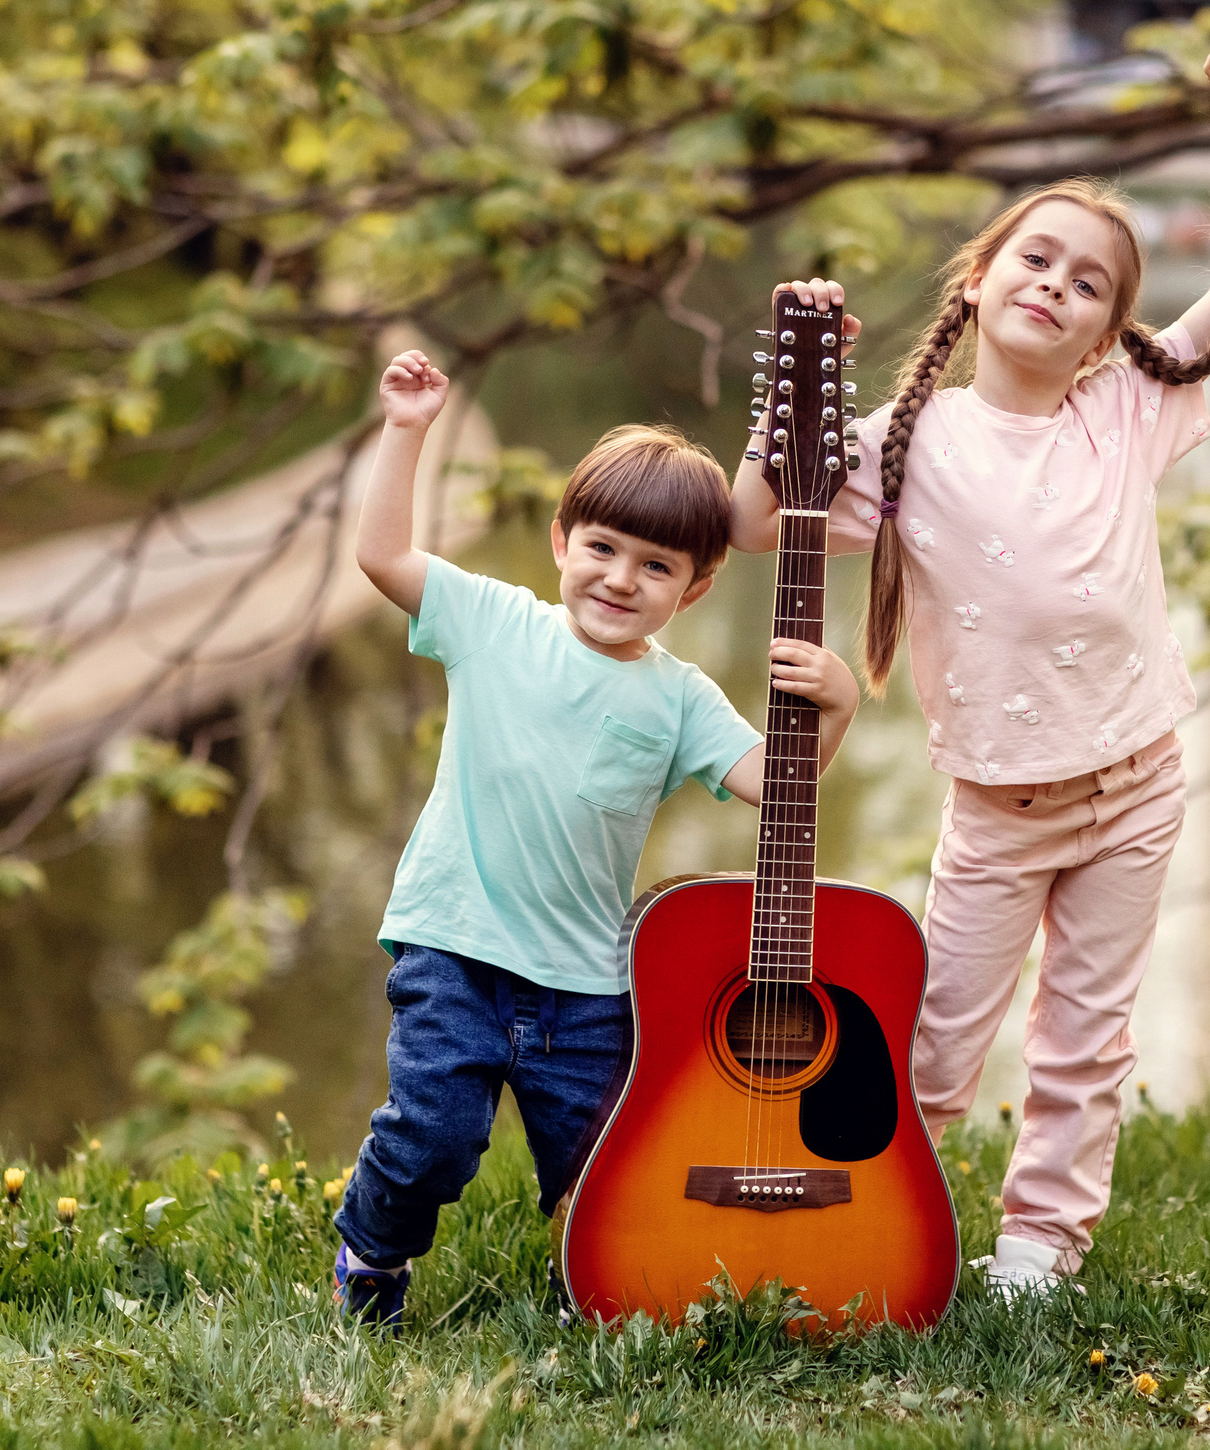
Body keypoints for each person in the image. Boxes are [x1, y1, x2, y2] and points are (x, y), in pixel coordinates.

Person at [731, 47, 1210, 1295]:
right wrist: (792, 397)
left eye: (1090, 282)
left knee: (1084, 1040)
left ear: (1113, 330)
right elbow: (748, 522)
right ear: (981, 278)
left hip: (1136, 784)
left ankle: (1040, 1249)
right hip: (998, 808)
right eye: (1036, 259)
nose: (1057, 284)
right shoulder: (907, 444)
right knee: (935, 1044)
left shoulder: (1123, 411)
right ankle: (884, 1215)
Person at [335, 352, 862, 1330]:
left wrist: (838, 708)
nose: (621, 579)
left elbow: (771, 783)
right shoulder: (493, 622)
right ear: (560, 541)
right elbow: (382, 558)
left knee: (601, 1161)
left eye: (656, 566)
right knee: (435, 1140)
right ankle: (372, 1251)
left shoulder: (678, 699)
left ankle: (595, 1282)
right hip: (454, 943)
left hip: (582, 981)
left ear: (695, 589)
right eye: (604, 548)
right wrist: (406, 430)